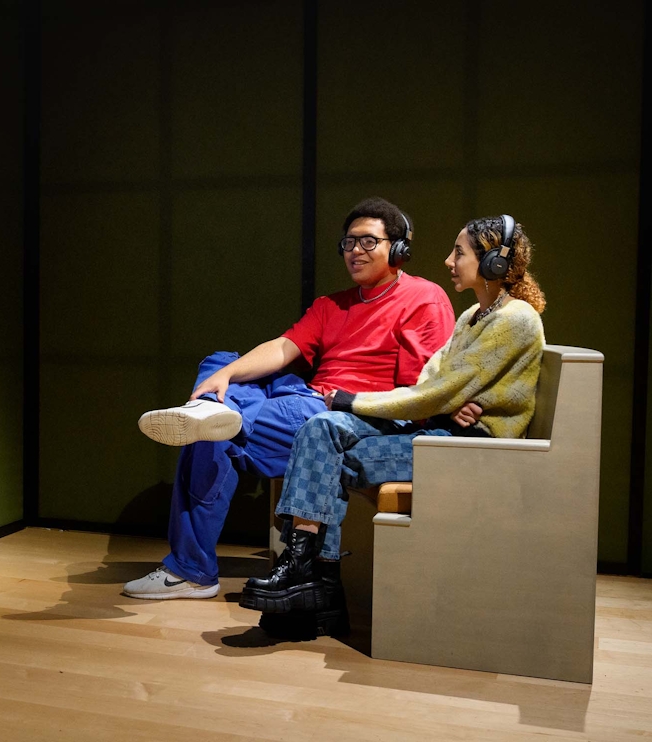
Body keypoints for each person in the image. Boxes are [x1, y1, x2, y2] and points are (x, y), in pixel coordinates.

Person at [123, 197, 457, 600]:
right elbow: (284, 348)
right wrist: (226, 376)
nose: (354, 250)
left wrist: (356, 402)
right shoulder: (331, 304)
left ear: (398, 248)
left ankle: (191, 569)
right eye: (349, 242)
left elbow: (420, 388)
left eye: (368, 241)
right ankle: (213, 411)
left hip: (348, 412)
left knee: (210, 436)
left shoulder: (425, 297)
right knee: (221, 364)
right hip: (305, 397)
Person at [240, 215, 546, 624]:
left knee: (329, 456)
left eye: (459, 253)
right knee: (320, 428)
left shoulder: (516, 319)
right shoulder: (473, 315)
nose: (448, 261)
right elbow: (434, 384)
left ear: (492, 261)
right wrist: (446, 401)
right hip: (444, 430)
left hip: (473, 448)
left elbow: (434, 394)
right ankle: (309, 577)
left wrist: (353, 401)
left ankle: (318, 583)